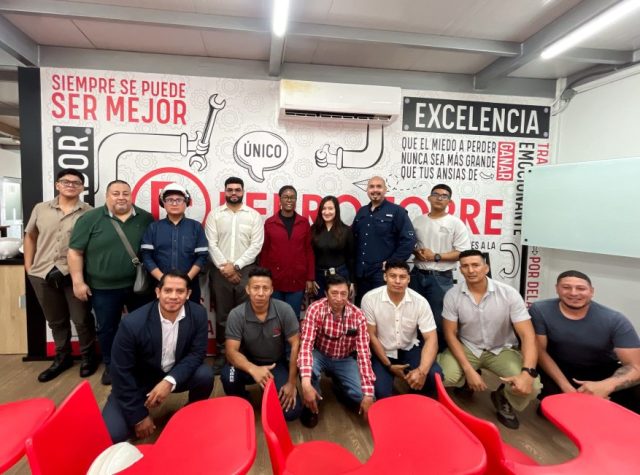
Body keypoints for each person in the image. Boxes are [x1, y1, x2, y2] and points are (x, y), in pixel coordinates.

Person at [102, 271, 214, 443]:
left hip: (173, 374)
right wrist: (139, 417)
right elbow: (121, 373)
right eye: (168, 290)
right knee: (112, 435)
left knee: (205, 374)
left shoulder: (198, 314)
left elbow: (196, 354)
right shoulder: (132, 323)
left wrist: (169, 381)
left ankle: (190, 413)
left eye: (180, 291)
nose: (173, 296)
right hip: (139, 382)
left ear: (188, 294)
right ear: (157, 292)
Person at [438, 250, 541, 429]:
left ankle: (503, 396)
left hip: (500, 349)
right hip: (468, 347)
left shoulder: (509, 294)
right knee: (443, 376)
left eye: (475, 265)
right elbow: (450, 334)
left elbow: (528, 335)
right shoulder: (452, 296)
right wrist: (468, 370)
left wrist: (527, 373)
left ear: (486, 268)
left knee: (531, 386)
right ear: (460, 270)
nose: (471, 270)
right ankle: (467, 379)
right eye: (465, 266)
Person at [68, 180, 154, 385]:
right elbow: (75, 252)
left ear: (131, 195)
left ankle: (139, 365)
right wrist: (78, 282)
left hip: (139, 287)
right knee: (107, 329)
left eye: (125, 193)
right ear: (107, 196)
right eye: (116, 193)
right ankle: (112, 366)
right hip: (103, 288)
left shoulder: (146, 218)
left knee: (142, 328)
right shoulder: (89, 218)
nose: (121, 197)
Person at [530, 270, 640, 414]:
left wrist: (606, 385)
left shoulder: (615, 320)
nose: (574, 293)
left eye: (581, 288)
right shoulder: (540, 310)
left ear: (591, 291)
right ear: (557, 289)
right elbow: (540, 351)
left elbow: (636, 367)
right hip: (558, 369)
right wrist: (566, 387)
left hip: (601, 371)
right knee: (553, 411)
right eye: (566, 287)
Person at [24, 169, 97, 382]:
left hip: (74, 274)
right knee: (56, 320)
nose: (70, 185)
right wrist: (29, 267)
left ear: (82, 187)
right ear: (57, 185)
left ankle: (88, 357)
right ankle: (62, 357)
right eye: (66, 181)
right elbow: (30, 236)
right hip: (42, 272)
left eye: (76, 182)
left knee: (81, 319)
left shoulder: (90, 213)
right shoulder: (41, 209)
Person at [221, 267, 302, 420]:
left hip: (274, 364)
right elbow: (231, 352)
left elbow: (295, 344)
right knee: (228, 376)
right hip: (247, 364)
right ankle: (243, 400)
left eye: (265, 288)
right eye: (256, 288)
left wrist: (291, 383)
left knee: (292, 413)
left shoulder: (284, 309)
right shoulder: (236, 314)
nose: (260, 293)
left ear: (271, 290)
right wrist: (253, 369)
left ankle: (270, 392)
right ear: (248, 289)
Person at [298, 274, 375, 427]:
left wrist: (368, 393)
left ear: (349, 294)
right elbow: (306, 345)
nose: (339, 298)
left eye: (343, 294)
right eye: (334, 293)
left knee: (366, 396)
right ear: (326, 294)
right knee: (307, 370)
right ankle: (311, 405)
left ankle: (339, 385)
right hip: (320, 354)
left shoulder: (358, 315)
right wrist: (305, 385)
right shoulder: (315, 309)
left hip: (344, 359)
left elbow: (364, 354)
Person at [362, 260, 442, 399]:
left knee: (433, 375)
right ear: (385, 277)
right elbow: (371, 336)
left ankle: (414, 398)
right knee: (381, 393)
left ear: (409, 279)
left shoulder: (420, 301)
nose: (398, 281)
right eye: (393, 276)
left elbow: (431, 338)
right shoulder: (370, 299)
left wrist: (422, 371)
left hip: (409, 349)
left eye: (402, 277)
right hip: (382, 351)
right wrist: (388, 366)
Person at [411, 184, 470, 350]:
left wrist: (436, 256)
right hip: (417, 275)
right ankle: (416, 353)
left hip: (441, 278)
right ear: (429, 198)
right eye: (436, 194)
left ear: (449, 202)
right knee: (413, 317)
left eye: (444, 196)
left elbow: (463, 252)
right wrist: (416, 252)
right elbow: (410, 244)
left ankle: (439, 355)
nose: (439, 198)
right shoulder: (418, 221)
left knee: (439, 320)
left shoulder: (455, 223)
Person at [205, 177, 263, 343]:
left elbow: (256, 245)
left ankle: (243, 351)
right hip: (220, 271)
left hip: (245, 271)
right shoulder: (215, 215)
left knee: (246, 313)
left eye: (237, 190)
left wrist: (235, 266)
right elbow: (211, 244)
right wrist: (226, 268)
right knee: (222, 315)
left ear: (243, 192)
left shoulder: (253, 215)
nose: (234, 193)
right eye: (230, 190)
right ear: (225, 192)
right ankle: (223, 351)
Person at [352, 176, 415, 305]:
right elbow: (354, 240)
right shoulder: (362, 212)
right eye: (371, 187)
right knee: (362, 308)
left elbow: (409, 240)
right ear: (367, 190)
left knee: (382, 309)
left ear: (385, 190)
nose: (375, 190)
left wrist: (392, 262)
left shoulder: (397, 211)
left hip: (381, 274)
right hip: (361, 274)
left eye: (379, 186)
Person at [140, 183, 208, 303]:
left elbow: (202, 257)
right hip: (159, 285)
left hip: (190, 284)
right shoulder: (153, 228)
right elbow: (146, 256)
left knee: (191, 313)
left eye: (179, 200)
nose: (174, 203)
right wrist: (162, 278)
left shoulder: (196, 227)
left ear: (186, 203)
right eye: (170, 200)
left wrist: (186, 279)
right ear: (163, 203)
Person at [259, 185, 314, 318]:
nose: (289, 200)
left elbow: (308, 251)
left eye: (292, 197)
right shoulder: (270, 223)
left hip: (297, 280)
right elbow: (265, 252)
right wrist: (263, 277)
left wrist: (310, 278)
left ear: (296, 200)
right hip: (275, 280)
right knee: (274, 318)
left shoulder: (304, 223)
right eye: (286, 197)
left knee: (292, 318)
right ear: (280, 199)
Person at [310, 195, 355, 299]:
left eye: (330, 208)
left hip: (340, 275)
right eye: (324, 208)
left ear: (336, 210)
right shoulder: (314, 230)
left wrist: (352, 281)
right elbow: (310, 256)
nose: (327, 212)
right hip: (319, 277)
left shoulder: (346, 231)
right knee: (320, 306)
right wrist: (311, 278)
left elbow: (351, 258)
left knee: (338, 306)